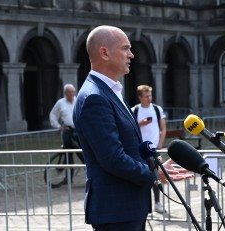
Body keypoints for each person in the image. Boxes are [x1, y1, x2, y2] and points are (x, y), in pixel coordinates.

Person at [73, 25, 191, 230]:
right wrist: (153, 175)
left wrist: (153, 164)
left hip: (126, 207)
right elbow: (112, 158)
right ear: (105, 52)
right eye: (125, 48)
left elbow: (128, 144)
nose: (132, 54)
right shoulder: (95, 97)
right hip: (116, 210)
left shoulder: (110, 90)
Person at [131, 84, 168, 215]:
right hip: (139, 149)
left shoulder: (157, 109)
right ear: (140, 97)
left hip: (153, 149)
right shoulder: (135, 110)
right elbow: (130, 129)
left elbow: (163, 128)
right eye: (146, 96)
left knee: (155, 176)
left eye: (150, 95)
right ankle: (141, 204)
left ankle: (157, 203)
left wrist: (160, 144)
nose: (149, 98)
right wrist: (141, 124)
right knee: (140, 175)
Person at [49, 84, 79, 150]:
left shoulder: (78, 101)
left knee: (82, 149)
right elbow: (53, 115)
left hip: (78, 129)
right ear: (65, 93)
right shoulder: (60, 103)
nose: (71, 93)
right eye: (69, 92)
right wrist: (59, 126)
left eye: (72, 91)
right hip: (67, 130)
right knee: (68, 150)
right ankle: (68, 160)